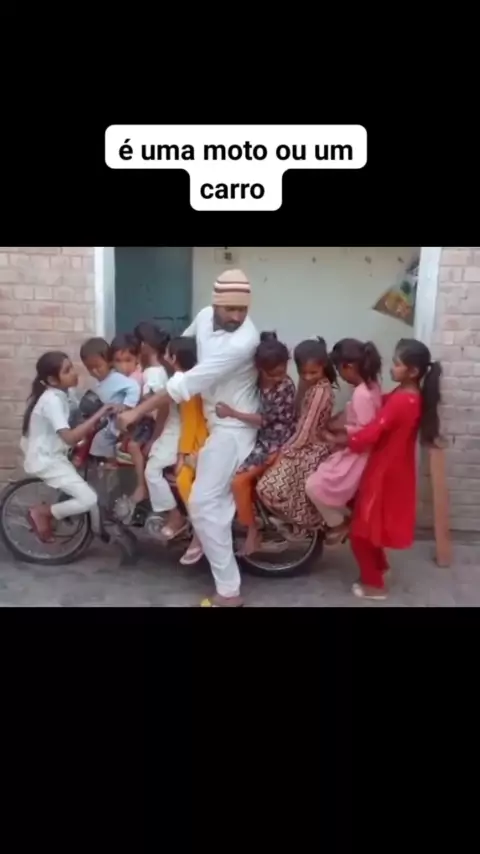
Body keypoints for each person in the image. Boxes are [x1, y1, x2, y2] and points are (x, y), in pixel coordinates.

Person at [118, 269, 260, 607]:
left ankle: (229, 591)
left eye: (243, 309)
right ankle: (204, 541)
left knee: (203, 502)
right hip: (210, 420)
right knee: (198, 495)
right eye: (230, 309)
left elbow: (186, 382)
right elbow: (182, 353)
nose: (237, 316)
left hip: (233, 428)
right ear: (215, 304)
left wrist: (136, 413)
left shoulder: (244, 342)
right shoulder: (204, 317)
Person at [331, 338, 442, 601]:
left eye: (396, 363)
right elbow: (380, 408)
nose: (392, 368)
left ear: (413, 371)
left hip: (386, 473)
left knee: (360, 533)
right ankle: (379, 568)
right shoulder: (405, 394)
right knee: (369, 527)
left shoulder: (405, 401)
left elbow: (372, 432)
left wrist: (341, 439)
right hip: (390, 468)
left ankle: (374, 586)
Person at [21, 351, 116, 542]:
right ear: (52, 380)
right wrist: (100, 413)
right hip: (46, 460)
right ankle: (43, 513)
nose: (74, 373)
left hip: (56, 455)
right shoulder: (51, 401)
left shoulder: (66, 394)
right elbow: (69, 437)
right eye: (67, 371)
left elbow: (78, 417)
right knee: (88, 499)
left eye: (71, 367)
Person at [218, 332, 296, 555]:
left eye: (282, 371)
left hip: (275, 443)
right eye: (273, 373)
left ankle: (253, 532)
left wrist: (232, 413)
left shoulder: (284, 387)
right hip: (258, 439)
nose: (279, 377)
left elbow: (264, 420)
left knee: (238, 482)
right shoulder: (254, 380)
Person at [305, 338, 382, 545]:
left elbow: (364, 433)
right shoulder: (372, 386)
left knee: (314, 486)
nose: (340, 375)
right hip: (356, 450)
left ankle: (339, 522)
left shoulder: (361, 394)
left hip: (357, 456)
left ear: (348, 367)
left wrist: (333, 438)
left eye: (339, 370)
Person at [256, 337, 335, 533]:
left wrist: (284, 453)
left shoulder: (320, 392)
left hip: (308, 449)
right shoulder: (313, 386)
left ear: (323, 366)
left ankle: (305, 522)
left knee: (267, 488)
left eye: (312, 372)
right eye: (303, 372)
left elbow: (306, 430)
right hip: (300, 444)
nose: (307, 377)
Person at [116, 324, 172, 511]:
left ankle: (141, 487)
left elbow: (159, 407)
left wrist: (154, 438)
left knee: (135, 448)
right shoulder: (153, 369)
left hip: (154, 424)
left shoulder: (152, 374)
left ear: (144, 345)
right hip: (153, 423)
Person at [163, 336, 209, 565]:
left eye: (167, 353)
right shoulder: (196, 379)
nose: (164, 357)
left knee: (182, 479)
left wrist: (182, 455)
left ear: (174, 358)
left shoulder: (185, 385)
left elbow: (191, 422)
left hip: (200, 442)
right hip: (202, 438)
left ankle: (200, 532)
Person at [80, 337, 141, 462]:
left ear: (109, 362)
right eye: (90, 368)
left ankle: (109, 463)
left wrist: (126, 406)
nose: (95, 371)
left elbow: (134, 387)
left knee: (100, 441)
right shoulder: (100, 382)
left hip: (119, 423)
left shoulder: (116, 378)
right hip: (108, 421)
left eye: (98, 366)